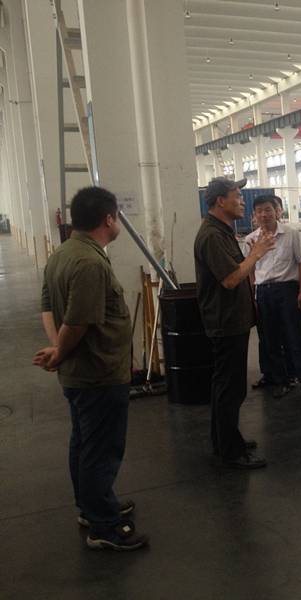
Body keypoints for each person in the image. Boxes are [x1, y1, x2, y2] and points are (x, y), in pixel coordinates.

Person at [33, 186, 148, 551]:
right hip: (98, 372)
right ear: (108, 220)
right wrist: (60, 351)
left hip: (80, 372)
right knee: (101, 449)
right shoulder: (89, 263)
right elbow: (78, 321)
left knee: (84, 444)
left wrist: (57, 349)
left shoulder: (64, 253)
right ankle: (104, 526)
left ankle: (92, 506)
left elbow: (48, 306)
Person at [194, 177, 275, 469]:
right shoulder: (212, 236)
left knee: (226, 385)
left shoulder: (221, 231)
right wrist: (256, 254)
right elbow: (230, 279)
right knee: (230, 387)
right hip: (225, 320)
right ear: (220, 201)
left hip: (231, 319)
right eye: (237, 195)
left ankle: (224, 439)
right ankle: (230, 450)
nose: (242, 201)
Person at [244, 195, 301, 401]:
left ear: (277, 211)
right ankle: (280, 381)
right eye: (259, 211)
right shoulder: (251, 239)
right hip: (263, 292)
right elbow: (250, 269)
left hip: (287, 290)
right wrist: (253, 296)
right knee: (270, 338)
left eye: (268, 209)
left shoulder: (291, 234)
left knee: (296, 336)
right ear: (254, 215)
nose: (264, 214)